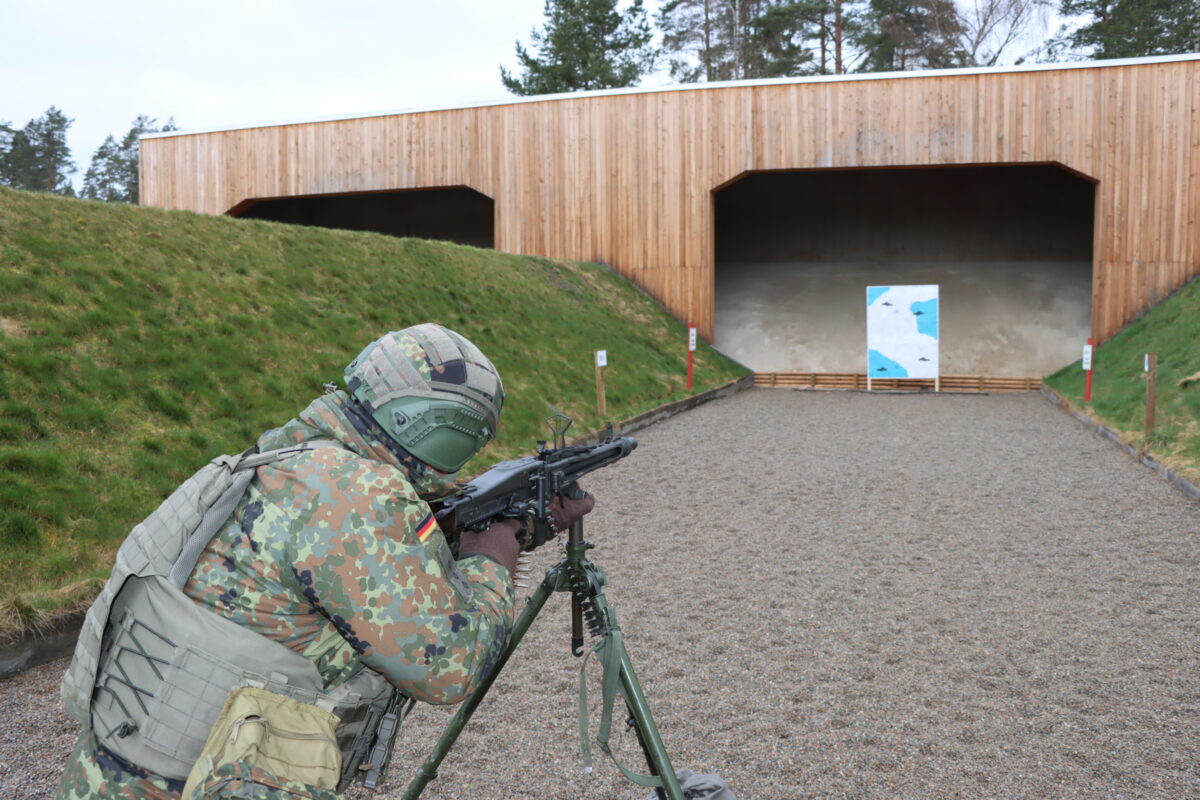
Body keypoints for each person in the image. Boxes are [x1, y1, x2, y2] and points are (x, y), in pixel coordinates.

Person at [56, 323, 594, 799]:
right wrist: (497, 547)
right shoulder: (356, 493)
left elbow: (359, 573)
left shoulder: (288, 454)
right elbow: (451, 671)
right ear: (446, 427)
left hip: (116, 769)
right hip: (196, 784)